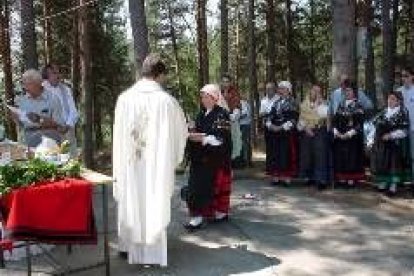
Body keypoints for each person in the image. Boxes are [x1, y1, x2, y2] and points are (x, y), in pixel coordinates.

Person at [112, 54, 188, 266]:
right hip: (156, 166)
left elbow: (118, 137)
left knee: (131, 200)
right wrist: (173, 156)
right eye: (163, 76)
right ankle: (150, 255)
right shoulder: (166, 101)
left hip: (130, 164)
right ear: (159, 75)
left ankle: (127, 246)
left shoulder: (124, 98)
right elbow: (180, 133)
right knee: (152, 201)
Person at [185, 84, 232, 231]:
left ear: (215, 98)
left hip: (213, 159)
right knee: (196, 186)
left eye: (207, 97)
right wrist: (191, 129)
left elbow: (221, 138)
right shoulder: (201, 113)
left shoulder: (222, 114)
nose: (204, 100)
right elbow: (198, 131)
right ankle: (197, 216)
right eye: (202, 97)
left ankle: (212, 214)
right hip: (200, 158)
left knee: (206, 187)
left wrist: (203, 138)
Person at [10, 69, 66, 147]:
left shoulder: (53, 99)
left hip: (49, 145)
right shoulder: (22, 101)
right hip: (28, 144)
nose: (25, 87)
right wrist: (16, 119)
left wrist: (40, 120)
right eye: (24, 84)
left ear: (39, 83)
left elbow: (62, 126)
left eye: (28, 84)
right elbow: (22, 126)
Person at [371, 91, 410, 195]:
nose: (390, 101)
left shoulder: (402, 113)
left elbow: (404, 131)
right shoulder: (383, 112)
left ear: (398, 101)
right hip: (381, 143)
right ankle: (383, 182)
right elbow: (374, 124)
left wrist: (391, 135)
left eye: (393, 99)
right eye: (389, 99)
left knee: (393, 164)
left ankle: (393, 186)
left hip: (394, 144)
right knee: (383, 163)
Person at [332, 81, 365, 187]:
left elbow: (359, 124)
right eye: (345, 91)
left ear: (354, 92)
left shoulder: (358, 106)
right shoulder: (340, 105)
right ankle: (342, 179)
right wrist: (336, 132)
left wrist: (349, 134)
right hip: (340, 136)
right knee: (341, 157)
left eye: (349, 90)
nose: (347, 92)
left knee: (352, 157)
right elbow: (334, 121)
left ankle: (351, 180)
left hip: (352, 138)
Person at [266, 81, 299, 185]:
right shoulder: (276, 103)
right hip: (275, 133)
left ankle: (286, 177)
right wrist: (270, 125)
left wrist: (280, 127)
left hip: (286, 133)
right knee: (276, 154)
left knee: (286, 155)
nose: (280, 91)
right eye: (280, 89)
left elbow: (293, 119)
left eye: (283, 89)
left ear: (288, 90)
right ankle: (276, 176)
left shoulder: (293, 102)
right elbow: (270, 116)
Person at [42, 64, 79, 157]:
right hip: (49, 133)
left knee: (71, 161)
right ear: (47, 76)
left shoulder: (66, 89)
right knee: (51, 161)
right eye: (54, 73)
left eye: (58, 73)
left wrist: (68, 125)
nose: (58, 75)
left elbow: (73, 111)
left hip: (67, 131)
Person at [298, 84, 330, 190]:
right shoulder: (303, 104)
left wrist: (320, 104)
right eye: (314, 91)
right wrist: (306, 129)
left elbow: (324, 116)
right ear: (310, 91)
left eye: (318, 91)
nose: (316, 93)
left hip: (319, 130)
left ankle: (321, 180)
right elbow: (301, 119)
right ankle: (309, 177)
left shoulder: (323, 103)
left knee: (320, 156)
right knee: (307, 155)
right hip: (307, 130)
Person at [221, 74, 242, 162]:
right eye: (223, 82)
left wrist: (231, 116)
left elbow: (237, 107)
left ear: (230, 83)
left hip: (231, 122)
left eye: (227, 82)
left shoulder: (234, 92)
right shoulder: (219, 93)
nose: (225, 84)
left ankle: (230, 166)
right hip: (220, 122)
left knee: (232, 143)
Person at [259, 82, 280, 173]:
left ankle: (277, 167)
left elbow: (278, 113)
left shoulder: (278, 99)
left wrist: (268, 114)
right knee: (269, 147)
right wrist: (267, 114)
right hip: (267, 126)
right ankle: (269, 167)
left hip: (277, 126)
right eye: (267, 89)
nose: (268, 91)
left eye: (270, 89)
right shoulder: (263, 100)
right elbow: (261, 113)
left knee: (277, 148)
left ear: (274, 89)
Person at [398, 66, 414, 181]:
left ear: (412, 77)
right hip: (400, 129)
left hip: (413, 128)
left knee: (413, 156)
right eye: (402, 76)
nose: (403, 78)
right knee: (400, 155)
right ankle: (399, 180)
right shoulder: (398, 91)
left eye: (406, 76)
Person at [240, 97, 252, 167]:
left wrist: (236, 116)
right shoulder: (243, 102)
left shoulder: (243, 103)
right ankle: (246, 161)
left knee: (245, 143)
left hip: (244, 125)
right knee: (244, 143)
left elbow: (245, 114)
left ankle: (246, 161)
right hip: (243, 125)